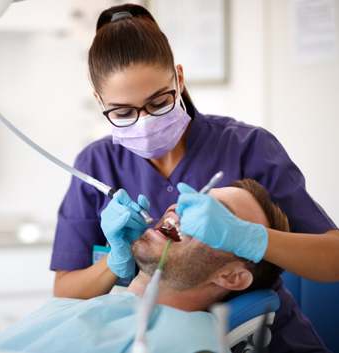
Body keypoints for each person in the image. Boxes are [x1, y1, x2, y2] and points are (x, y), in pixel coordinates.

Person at [50, 3, 338, 352]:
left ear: (179, 79)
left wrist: (253, 239)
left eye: (158, 102)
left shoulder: (247, 147)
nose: (145, 121)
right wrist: (115, 262)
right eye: (123, 112)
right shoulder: (96, 164)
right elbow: (65, 291)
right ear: (99, 102)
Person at [0, 180, 287, 353]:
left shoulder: (187, 342)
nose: (182, 208)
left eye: (216, 215)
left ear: (231, 276)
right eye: (195, 199)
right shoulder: (92, 305)